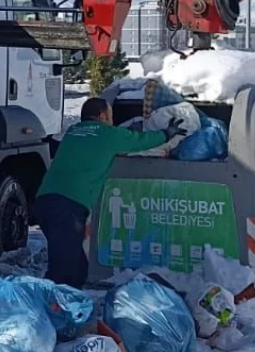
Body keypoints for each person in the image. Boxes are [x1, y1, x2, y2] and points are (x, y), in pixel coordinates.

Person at [33, 96, 181, 286]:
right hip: (68, 209)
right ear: (102, 116)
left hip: (45, 202)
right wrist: (167, 133)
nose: (112, 121)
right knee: (63, 272)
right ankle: (45, 307)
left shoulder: (73, 131)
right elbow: (141, 141)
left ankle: (64, 305)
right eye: (110, 116)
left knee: (77, 269)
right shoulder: (108, 134)